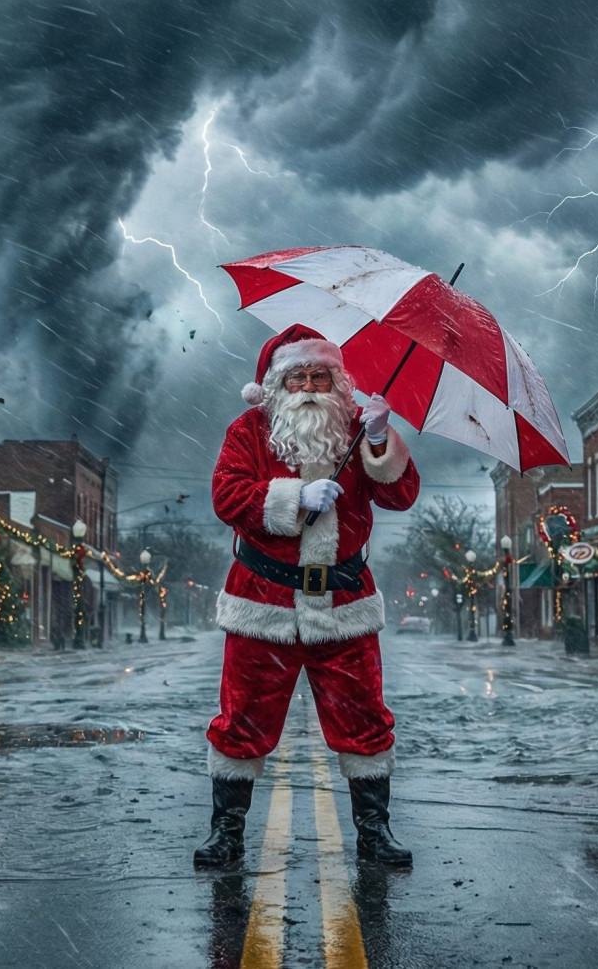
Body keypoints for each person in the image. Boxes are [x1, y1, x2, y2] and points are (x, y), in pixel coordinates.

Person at [196, 324, 420, 869]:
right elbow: (226, 496)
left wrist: (378, 440)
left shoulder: (356, 428)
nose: (310, 386)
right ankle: (226, 833)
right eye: (298, 376)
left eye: (321, 374)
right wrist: (294, 496)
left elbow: (401, 495)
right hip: (263, 604)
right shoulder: (248, 430)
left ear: (339, 382)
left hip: (344, 605)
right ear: (276, 384)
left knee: (365, 719)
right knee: (242, 720)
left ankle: (374, 833)